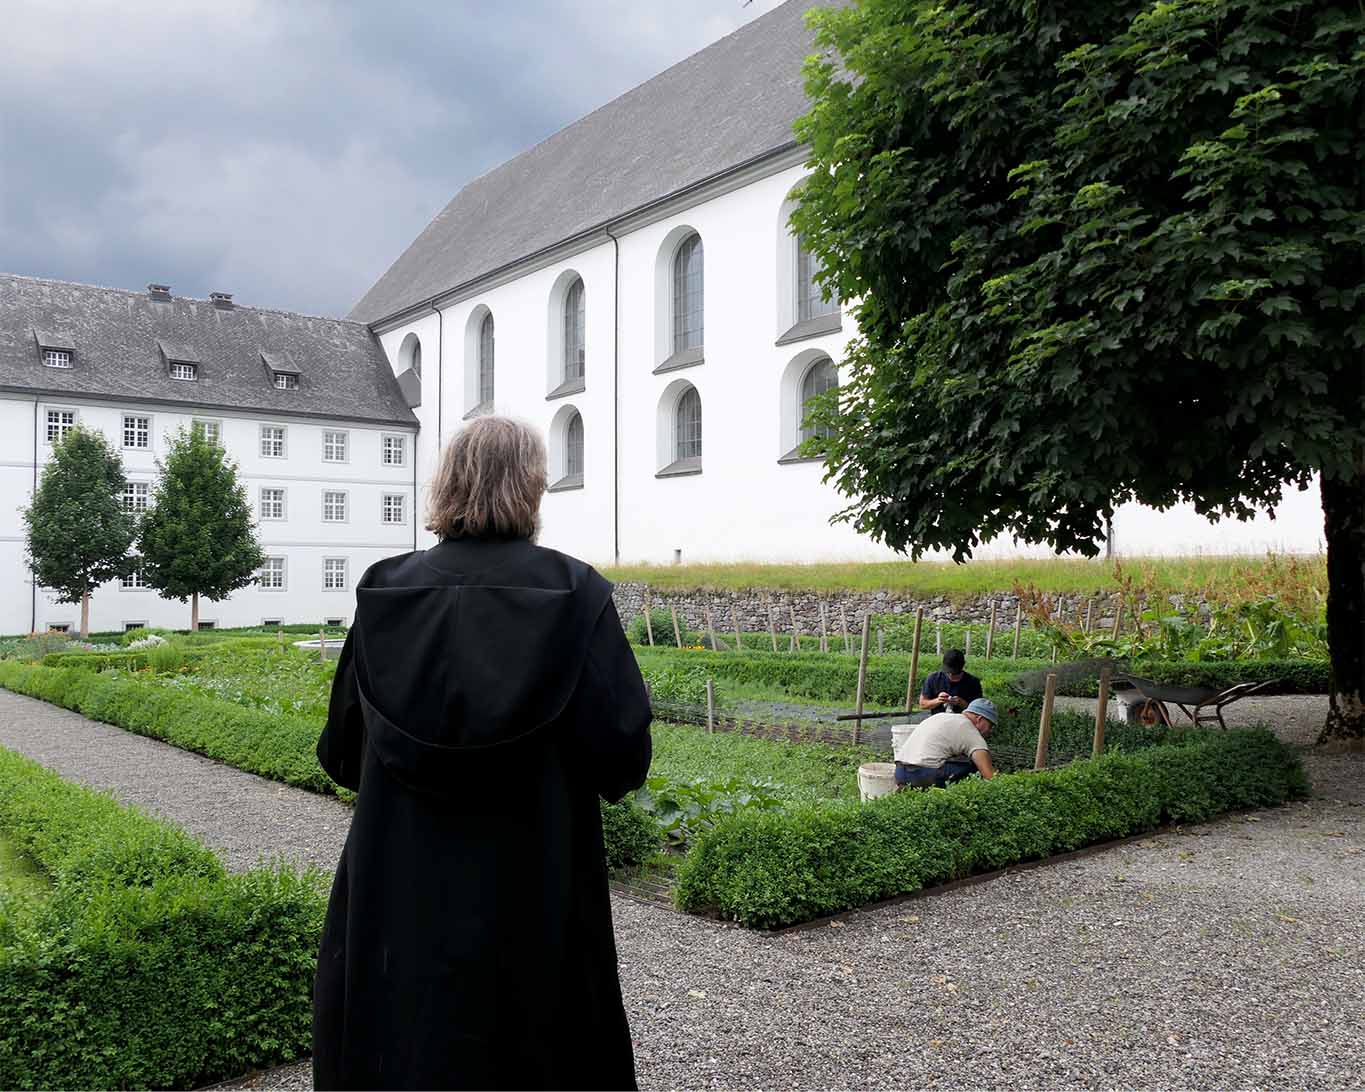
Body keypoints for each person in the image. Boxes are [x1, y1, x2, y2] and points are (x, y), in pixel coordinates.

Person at [312, 416, 652, 1091]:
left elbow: (342, 754)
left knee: (403, 1040)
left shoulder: (386, 589)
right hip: (534, 877)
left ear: (447, 482)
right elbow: (621, 756)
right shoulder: (573, 593)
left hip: (400, 880)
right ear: (531, 486)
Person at [894, 698, 998, 789]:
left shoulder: (941, 716)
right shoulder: (970, 731)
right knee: (974, 766)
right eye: (990, 725)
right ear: (979, 719)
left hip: (900, 772)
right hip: (923, 774)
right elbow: (989, 776)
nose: (989, 731)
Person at [918, 648, 983, 714]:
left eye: (955, 673)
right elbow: (923, 704)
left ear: (963, 666)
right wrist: (938, 700)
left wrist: (961, 703)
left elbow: (979, 710)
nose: (951, 675)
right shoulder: (933, 678)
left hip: (963, 721)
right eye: (948, 672)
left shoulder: (973, 682)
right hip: (938, 720)